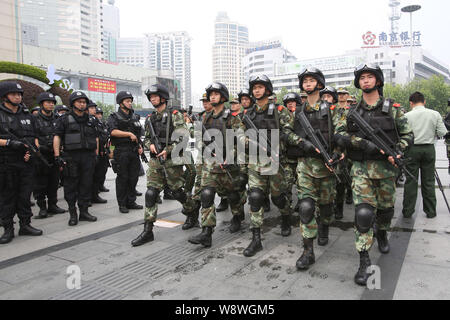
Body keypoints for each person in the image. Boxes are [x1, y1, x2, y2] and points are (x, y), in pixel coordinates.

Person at [335, 63, 414, 285]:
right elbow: (339, 135)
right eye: (362, 78)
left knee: (386, 210)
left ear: (378, 80)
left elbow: (408, 134)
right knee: (363, 214)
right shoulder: (352, 112)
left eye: (370, 77)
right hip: (361, 169)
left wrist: (399, 149)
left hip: (387, 170)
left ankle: (382, 232)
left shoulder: (394, 108)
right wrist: (362, 143)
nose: (366, 81)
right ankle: (364, 259)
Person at [285, 68, 343, 270]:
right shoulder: (299, 111)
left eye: (312, 81)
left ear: (319, 84)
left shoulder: (330, 110)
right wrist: (301, 142)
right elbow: (286, 132)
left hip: (326, 166)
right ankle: (307, 251)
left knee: (326, 206)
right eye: (305, 81)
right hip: (305, 166)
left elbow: (341, 133)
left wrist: (337, 152)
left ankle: (324, 225)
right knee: (306, 207)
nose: (308, 84)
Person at [132, 84, 199, 247]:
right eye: (151, 97)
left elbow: (183, 139)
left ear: (162, 97)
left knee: (177, 192)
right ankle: (148, 230)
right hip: (156, 161)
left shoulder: (175, 115)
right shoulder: (149, 118)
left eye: (155, 96)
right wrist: (150, 146)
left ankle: (192, 210)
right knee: (150, 193)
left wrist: (168, 150)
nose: (152, 99)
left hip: (172, 160)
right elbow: (146, 138)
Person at [188, 82, 246, 248]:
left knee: (233, 195)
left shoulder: (232, 118)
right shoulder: (205, 117)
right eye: (210, 94)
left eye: (215, 94)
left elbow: (240, 141)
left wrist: (230, 156)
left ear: (223, 97)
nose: (212, 96)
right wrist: (207, 149)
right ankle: (207, 232)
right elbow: (198, 139)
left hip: (229, 165)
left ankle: (237, 216)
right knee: (206, 194)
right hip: (210, 165)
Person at [241, 75, 293, 256]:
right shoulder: (248, 113)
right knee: (255, 197)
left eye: (260, 87)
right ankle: (256, 239)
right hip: (255, 162)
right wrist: (250, 142)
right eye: (254, 87)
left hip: (276, 161)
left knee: (278, 198)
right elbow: (239, 136)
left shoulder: (280, 110)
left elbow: (289, 132)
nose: (257, 90)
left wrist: (278, 145)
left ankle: (286, 216)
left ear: (267, 89)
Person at [0, 81, 43, 244]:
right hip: (6, 162)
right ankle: (8, 229)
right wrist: (9, 144)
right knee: (7, 197)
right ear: (5, 96)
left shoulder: (27, 115)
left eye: (19, 94)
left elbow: (35, 136)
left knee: (25, 196)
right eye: (14, 94)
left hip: (25, 162)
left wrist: (32, 152)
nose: (18, 97)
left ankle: (25, 224)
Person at [54, 91, 99, 226]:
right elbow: (57, 137)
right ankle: (73, 213)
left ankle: (84, 212)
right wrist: (57, 155)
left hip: (88, 156)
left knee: (86, 184)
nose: (82, 104)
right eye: (79, 102)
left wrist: (96, 154)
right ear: (73, 103)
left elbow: (96, 138)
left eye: (84, 102)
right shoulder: (64, 119)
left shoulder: (91, 119)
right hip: (71, 157)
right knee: (70, 185)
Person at [402, 92, 447, 219]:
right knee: (428, 181)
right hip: (428, 149)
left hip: (411, 149)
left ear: (411, 103)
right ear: (424, 101)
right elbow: (442, 132)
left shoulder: (406, 116)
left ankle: (408, 211)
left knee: (411, 181)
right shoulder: (435, 114)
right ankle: (430, 211)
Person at [107, 91, 144, 213]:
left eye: (130, 101)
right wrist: (128, 134)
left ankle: (131, 201)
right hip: (121, 151)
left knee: (133, 177)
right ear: (120, 103)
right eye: (127, 101)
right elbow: (112, 132)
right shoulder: (114, 116)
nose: (130, 103)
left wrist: (140, 146)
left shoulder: (134, 117)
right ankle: (122, 204)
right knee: (123, 178)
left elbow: (138, 134)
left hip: (133, 151)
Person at [33, 92, 66, 219]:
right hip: (41, 155)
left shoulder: (58, 119)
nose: (51, 105)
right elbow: (33, 136)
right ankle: (42, 208)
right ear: (41, 104)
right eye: (48, 102)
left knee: (54, 181)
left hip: (55, 154)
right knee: (40, 183)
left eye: (52, 103)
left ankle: (53, 205)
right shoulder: (35, 119)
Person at [282, 92, 302, 212]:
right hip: (287, 158)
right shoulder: (282, 117)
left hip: (301, 157)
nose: (290, 104)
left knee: (302, 185)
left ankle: (301, 203)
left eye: (292, 102)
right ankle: (286, 208)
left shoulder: (301, 116)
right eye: (288, 103)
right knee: (286, 184)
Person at [90, 104, 110, 204]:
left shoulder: (100, 123)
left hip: (101, 151)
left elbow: (104, 136)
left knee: (100, 172)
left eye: (99, 113)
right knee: (90, 176)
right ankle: (88, 197)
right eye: (93, 110)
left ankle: (95, 193)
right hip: (90, 152)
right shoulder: (89, 122)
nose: (99, 115)